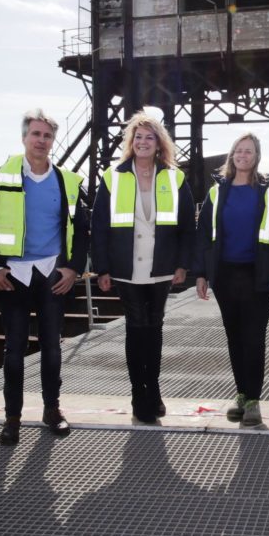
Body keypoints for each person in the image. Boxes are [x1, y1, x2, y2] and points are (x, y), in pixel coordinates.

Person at [0, 109, 89, 445]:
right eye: (35, 134)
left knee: (52, 347)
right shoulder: (1, 176)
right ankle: (12, 418)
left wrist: (73, 268)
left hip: (53, 275)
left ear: (53, 141)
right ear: (24, 138)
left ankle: (52, 410)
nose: (41, 141)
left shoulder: (67, 181)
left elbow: (81, 231)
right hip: (14, 277)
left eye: (47, 135)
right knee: (14, 350)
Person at [91, 110, 195, 423]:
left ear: (159, 143)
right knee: (136, 326)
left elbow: (188, 225)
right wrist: (102, 268)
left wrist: (183, 264)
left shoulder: (175, 177)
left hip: (161, 265)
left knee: (155, 327)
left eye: (149, 137)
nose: (143, 142)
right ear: (131, 142)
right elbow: (99, 226)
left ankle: (155, 390)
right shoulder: (114, 176)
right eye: (138, 137)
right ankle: (139, 393)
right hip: (126, 266)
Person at [193, 133, 269, 427]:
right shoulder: (216, 192)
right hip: (225, 276)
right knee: (234, 337)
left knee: (253, 337)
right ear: (231, 155)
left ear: (257, 156)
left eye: (248, 151)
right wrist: (201, 273)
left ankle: (253, 400)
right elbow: (204, 237)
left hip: (258, 276)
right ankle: (241, 393)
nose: (242, 155)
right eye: (238, 150)